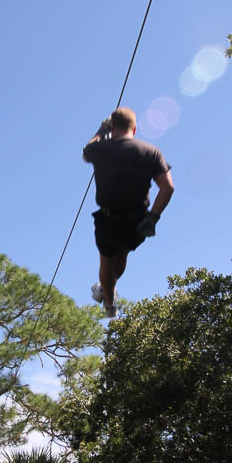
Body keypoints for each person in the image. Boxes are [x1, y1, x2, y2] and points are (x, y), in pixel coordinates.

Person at [83, 106, 174, 318]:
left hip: (108, 216)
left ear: (112, 127)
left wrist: (101, 130)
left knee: (106, 260)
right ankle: (107, 291)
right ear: (134, 129)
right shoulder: (151, 151)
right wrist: (153, 217)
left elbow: (87, 152)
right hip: (137, 219)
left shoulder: (101, 148)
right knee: (122, 254)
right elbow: (167, 187)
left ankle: (109, 302)